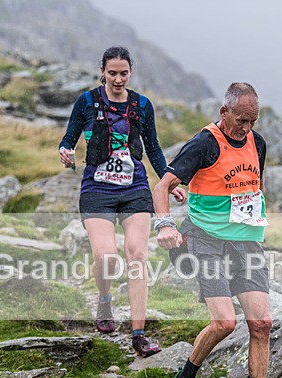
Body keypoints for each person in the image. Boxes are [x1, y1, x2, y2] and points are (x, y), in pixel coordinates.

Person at [153, 82, 282, 378]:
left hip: (246, 244)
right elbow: (162, 186)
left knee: (261, 324)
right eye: (241, 120)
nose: (246, 128)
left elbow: (252, 186)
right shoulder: (204, 143)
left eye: (252, 120)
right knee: (224, 324)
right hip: (207, 241)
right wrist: (166, 225)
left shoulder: (257, 142)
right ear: (224, 112)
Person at [59, 46, 183, 357]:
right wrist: (65, 150)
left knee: (137, 253)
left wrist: (170, 182)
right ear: (102, 71)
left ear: (131, 73)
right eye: (112, 73)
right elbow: (70, 136)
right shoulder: (87, 101)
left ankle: (139, 334)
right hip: (97, 190)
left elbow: (153, 148)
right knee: (106, 257)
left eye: (123, 73)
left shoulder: (142, 105)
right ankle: (104, 299)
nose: (117, 79)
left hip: (135, 188)